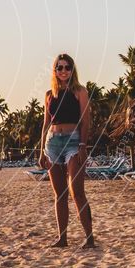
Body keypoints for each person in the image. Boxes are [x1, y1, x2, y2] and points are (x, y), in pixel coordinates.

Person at [38, 53, 96, 249]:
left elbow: (85, 120)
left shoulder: (80, 91)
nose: (63, 71)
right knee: (59, 194)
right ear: (54, 71)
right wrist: (40, 152)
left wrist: (82, 145)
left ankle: (89, 238)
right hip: (52, 144)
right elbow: (46, 124)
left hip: (73, 142)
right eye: (59, 67)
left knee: (77, 192)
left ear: (72, 70)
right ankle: (62, 238)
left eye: (67, 67)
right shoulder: (49, 95)